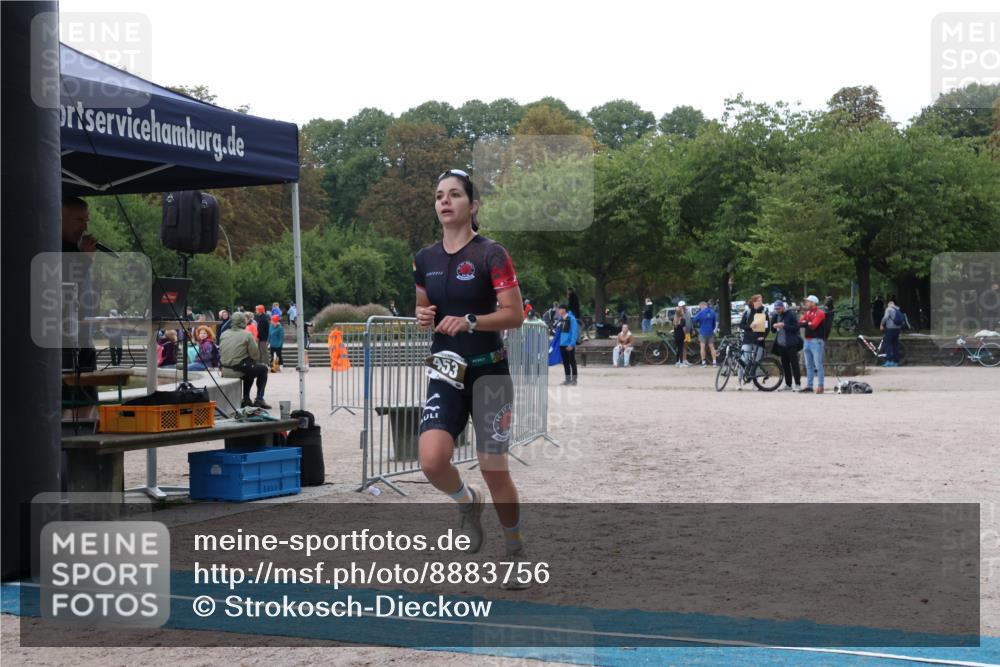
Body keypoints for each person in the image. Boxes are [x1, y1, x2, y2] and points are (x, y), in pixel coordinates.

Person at [413, 168, 528, 583]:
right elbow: (423, 310)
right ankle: (466, 502)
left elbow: (514, 315)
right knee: (430, 461)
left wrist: (471, 321)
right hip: (444, 370)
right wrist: (424, 316)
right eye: (440, 195)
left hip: (489, 372)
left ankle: (514, 547)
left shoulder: (490, 254)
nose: (445, 201)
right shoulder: (424, 259)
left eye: (455, 195)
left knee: (493, 467)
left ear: (473, 205)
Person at [220, 312, 271, 409]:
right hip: (238, 370)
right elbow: (255, 355)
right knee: (263, 369)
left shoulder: (224, 334)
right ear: (243, 321)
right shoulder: (247, 335)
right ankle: (259, 399)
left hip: (225, 370)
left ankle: (247, 399)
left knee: (249, 367)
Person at [739, 295, 770, 387]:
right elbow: (741, 325)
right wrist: (749, 327)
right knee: (743, 359)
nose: (761, 302)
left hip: (759, 340)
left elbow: (767, 328)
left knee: (757, 362)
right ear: (754, 302)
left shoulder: (764, 313)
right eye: (759, 300)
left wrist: (763, 337)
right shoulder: (748, 313)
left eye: (761, 300)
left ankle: (755, 382)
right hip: (748, 339)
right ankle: (739, 381)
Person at [770, 301, 802, 391]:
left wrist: (784, 325)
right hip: (781, 345)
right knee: (785, 365)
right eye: (776, 309)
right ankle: (788, 384)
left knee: (794, 364)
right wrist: (773, 325)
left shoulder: (790, 315)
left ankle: (798, 384)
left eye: (778, 309)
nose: (777, 310)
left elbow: (796, 328)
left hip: (791, 344)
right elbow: (772, 330)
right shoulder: (775, 316)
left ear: (783, 307)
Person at [799, 295, 827, 394]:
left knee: (818, 364)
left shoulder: (820, 313)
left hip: (816, 340)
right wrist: (808, 323)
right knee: (808, 365)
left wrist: (806, 322)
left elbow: (814, 326)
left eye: (808, 302)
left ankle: (820, 386)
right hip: (807, 340)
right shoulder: (807, 312)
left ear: (813, 303)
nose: (806, 303)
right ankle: (809, 386)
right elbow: (800, 323)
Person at [691, 300, 718, 367]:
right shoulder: (712, 312)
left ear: (702, 305)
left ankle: (704, 363)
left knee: (702, 347)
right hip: (710, 332)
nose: (700, 308)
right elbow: (714, 323)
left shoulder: (701, 313)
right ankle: (714, 362)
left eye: (700, 307)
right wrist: (712, 328)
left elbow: (694, 320)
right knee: (712, 347)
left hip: (703, 332)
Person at [880, 300, 904, 367]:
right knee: (895, 345)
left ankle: (889, 361)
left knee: (888, 345)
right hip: (898, 329)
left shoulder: (889, 309)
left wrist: (881, 324)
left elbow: (885, 317)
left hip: (890, 329)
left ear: (889, 305)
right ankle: (895, 362)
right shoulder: (898, 310)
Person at [672, 301, 692, 367]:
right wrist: (685, 334)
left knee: (683, 347)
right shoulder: (681, 318)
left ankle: (681, 361)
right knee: (681, 348)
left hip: (679, 334)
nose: (683, 307)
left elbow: (689, 322)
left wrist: (691, 329)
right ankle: (682, 361)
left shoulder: (676, 317)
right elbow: (683, 327)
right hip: (683, 334)